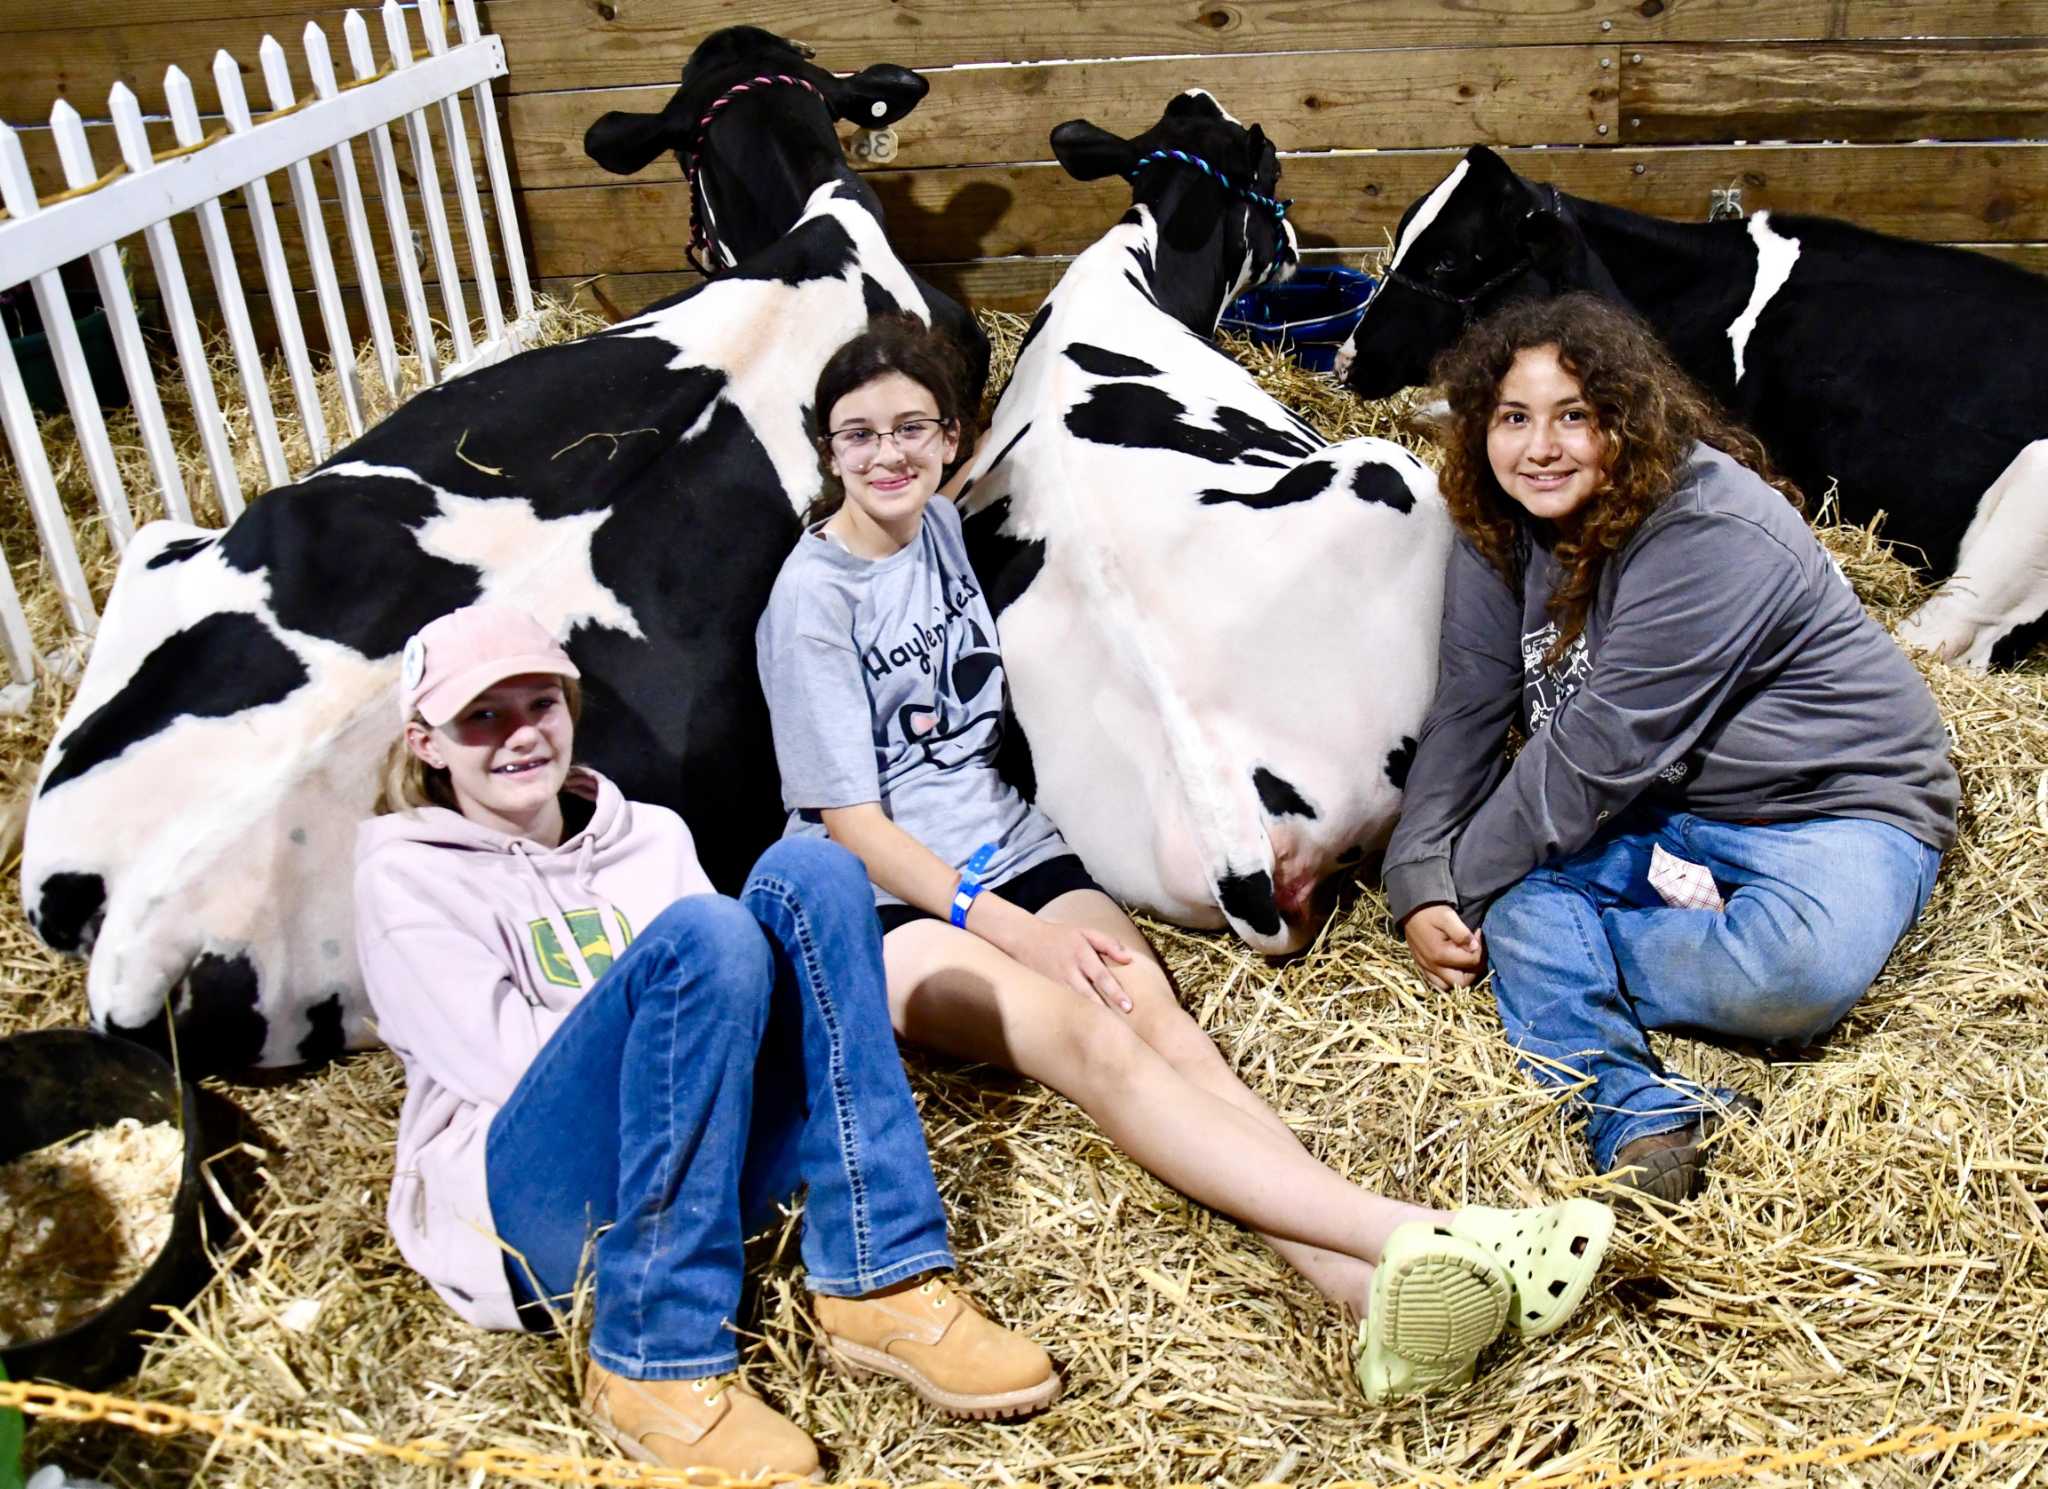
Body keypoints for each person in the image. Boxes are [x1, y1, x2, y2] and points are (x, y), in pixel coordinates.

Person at [754, 314, 1613, 1404]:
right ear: (826, 451)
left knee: (1160, 1020)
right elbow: (850, 825)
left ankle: (1367, 1294)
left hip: (1013, 850)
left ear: (952, 440)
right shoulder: (811, 601)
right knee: (1087, 1041)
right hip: (881, 905)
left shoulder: (935, 532)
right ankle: (1428, 1235)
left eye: (912, 430)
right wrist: (1015, 931)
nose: (888, 455)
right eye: (859, 435)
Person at [354, 603, 1061, 1478]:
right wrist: (679, 1006)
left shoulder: (649, 835)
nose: (520, 735)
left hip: (695, 1169)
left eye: (540, 704)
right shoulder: (405, 874)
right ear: (428, 743)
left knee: (817, 870)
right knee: (710, 936)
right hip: (532, 1203)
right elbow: (504, 1067)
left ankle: (880, 1276)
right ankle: (653, 1354)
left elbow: (736, 1014)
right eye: (482, 717)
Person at [1386, 293, 1959, 1202]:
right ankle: (1638, 1112)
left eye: (1574, 415)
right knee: (1520, 895)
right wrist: (1420, 877)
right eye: (1513, 419)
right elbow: (1469, 702)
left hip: (1834, 801)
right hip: (1665, 805)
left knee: (1795, 977)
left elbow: (1594, 753)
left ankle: (1564, 973)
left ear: (1627, 417)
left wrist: (1473, 900)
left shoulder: (1706, 529)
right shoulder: (1497, 517)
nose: (1541, 447)